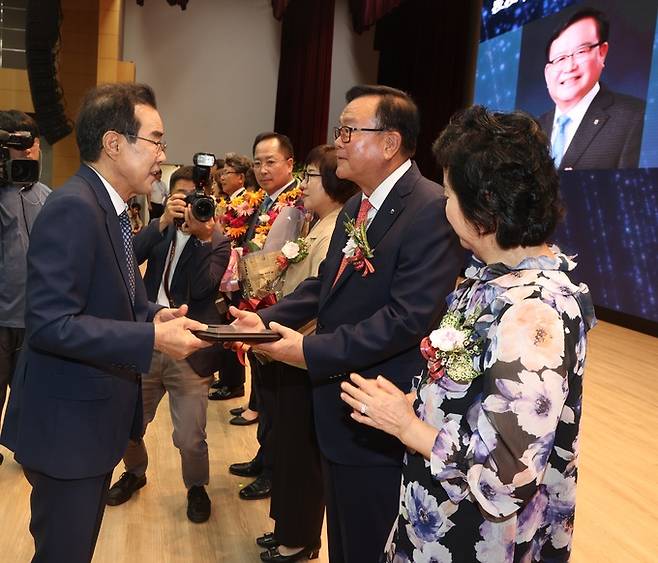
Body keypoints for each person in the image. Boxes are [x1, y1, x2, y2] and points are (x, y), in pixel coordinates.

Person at [341, 106, 597, 562]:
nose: (444, 206)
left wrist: (407, 426)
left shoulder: (534, 313)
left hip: (476, 540)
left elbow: (504, 476)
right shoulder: (494, 280)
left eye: (450, 193)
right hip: (441, 519)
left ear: (485, 205)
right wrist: (415, 403)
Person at [232, 85, 464, 562]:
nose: (337, 141)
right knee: (343, 533)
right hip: (338, 402)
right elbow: (324, 285)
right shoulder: (358, 205)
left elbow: (408, 319)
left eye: (347, 130)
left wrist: (308, 351)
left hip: (380, 408)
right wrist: (263, 321)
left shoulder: (428, 210)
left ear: (388, 142)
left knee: (368, 537)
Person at [0, 83, 209, 563]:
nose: (163, 156)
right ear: (114, 144)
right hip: (65, 429)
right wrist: (153, 335)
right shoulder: (75, 207)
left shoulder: (107, 208)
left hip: (87, 423)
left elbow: (120, 298)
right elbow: (51, 324)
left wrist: (160, 315)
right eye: (156, 140)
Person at [106, 165, 230, 523]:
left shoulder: (217, 241)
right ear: (170, 198)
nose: (188, 207)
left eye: (195, 200)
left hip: (189, 347)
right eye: (182, 199)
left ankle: (196, 487)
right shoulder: (159, 231)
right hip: (147, 338)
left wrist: (202, 237)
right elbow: (128, 259)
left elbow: (206, 286)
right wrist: (161, 224)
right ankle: (135, 473)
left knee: (190, 436)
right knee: (128, 423)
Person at [257, 145, 358, 562]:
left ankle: (299, 539)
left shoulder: (339, 229)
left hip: (304, 350)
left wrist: (282, 338)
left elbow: (322, 303)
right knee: (287, 445)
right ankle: (287, 527)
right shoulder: (318, 225)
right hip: (289, 344)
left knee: (300, 453)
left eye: (312, 176)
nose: (303, 186)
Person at [228, 132, 303, 503]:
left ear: (290, 163)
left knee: (275, 396)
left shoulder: (298, 203)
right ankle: (262, 457)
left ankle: (273, 471)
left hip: (278, 310)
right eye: (257, 162)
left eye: (270, 161)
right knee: (261, 388)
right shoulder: (259, 202)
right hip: (254, 304)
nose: (262, 169)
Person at [0, 110, 51, 469]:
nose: (25, 151)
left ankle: (26, 446)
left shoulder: (48, 195)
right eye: (15, 143)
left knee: (30, 392)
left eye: (29, 142)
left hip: (36, 318)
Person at [539, 8, 645, 170]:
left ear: (602, 53)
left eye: (580, 52)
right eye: (560, 58)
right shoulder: (533, 129)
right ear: (547, 73)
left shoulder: (636, 117)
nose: (569, 67)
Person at [209, 153, 253, 401]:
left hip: (236, 276)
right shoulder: (226, 201)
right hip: (226, 273)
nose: (221, 176)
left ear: (241, 177)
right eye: (221, 172)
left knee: (232, 328)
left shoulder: (247, 202)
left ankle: (234, 383)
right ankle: (227, 379)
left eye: (227, 172)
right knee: (225, 326)